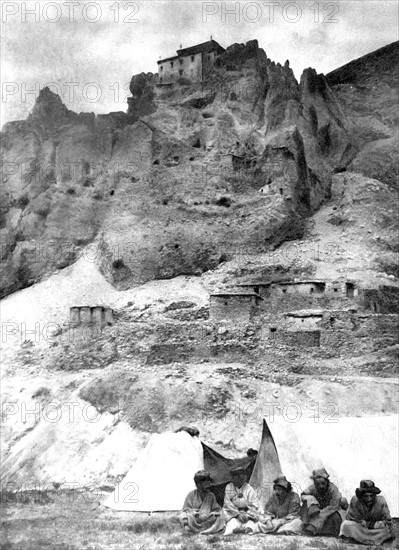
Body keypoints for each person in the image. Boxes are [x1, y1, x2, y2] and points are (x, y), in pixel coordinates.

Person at [339, 480, 394, 545]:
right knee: (345, 525)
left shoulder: (381, 501)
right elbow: (350, 518)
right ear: (361, 496)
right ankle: (371, 540)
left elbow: (388, 521)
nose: (369, 499)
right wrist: (360, 522)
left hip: (376, 529)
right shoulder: (355, 500)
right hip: (361, 528)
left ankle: (360, 540)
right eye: (366, 496)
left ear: (375, 495)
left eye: (371, 496)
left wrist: (370, 524)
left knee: (386, 530)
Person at [301, 467, 347, 536]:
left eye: (323, 483)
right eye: (318, 484)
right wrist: (310, 498)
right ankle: (306, 527)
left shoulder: (333, 489)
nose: (321, 486)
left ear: (327, 481)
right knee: (306, 504)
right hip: (318, 511)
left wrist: (318, 519)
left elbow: (333, 507)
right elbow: (303, 495)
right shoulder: (313, 488)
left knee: (334, 517)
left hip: (331, 512)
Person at [179, 470, 225, 534]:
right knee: (184, 516)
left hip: (207, 518)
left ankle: (209, 530)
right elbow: (186, 509)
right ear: (198, 484)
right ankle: (189, 528)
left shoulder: (211, 495)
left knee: (221, 514)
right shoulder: (191, 494)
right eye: (205, 483)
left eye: (208, 483)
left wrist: (214, 512)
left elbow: (216, 508)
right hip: (195, 519)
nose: (208, 485)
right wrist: (194, 512)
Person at [223, 466, 262, 535]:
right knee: (224, 512)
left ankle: (246, 528)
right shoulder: (229, 486)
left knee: (256, 519)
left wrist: (246, 514)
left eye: (234, 478)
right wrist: (237, 514)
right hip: (233, 513)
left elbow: (255, 505)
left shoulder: (249, 489)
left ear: (240, 478)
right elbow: (227, 503)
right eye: (232, 477)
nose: (232, 480)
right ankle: (235, 527)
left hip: (246, 513)